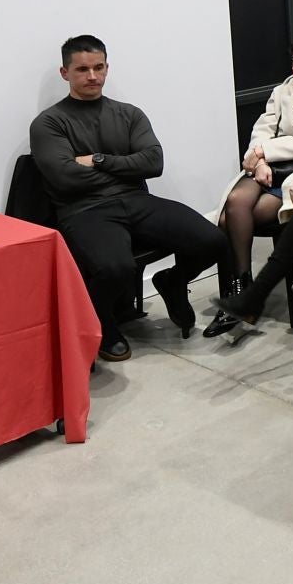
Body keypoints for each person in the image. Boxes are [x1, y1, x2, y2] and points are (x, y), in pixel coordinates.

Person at [31, 36, 231, 362]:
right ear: (65, 72)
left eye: (98, 67)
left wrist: (97, 160)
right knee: (116, 268)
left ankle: (173, 280)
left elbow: (153, 162)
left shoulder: (128, 114)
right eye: (82, 69)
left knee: (212, 239)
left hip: (136, 201)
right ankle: (102, 323)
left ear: (107, 67)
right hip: (84, 210)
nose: (92, 76)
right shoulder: (49, 123)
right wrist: (124, 166)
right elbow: (64, 177)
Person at [203, 31, 293, 340]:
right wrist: (259, 157)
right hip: (268, 167)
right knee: (234, 204)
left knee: (229, 219)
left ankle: (242, 295)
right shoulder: (283, 90)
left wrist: (266, 152)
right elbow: (263, 126)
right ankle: (244, 290)